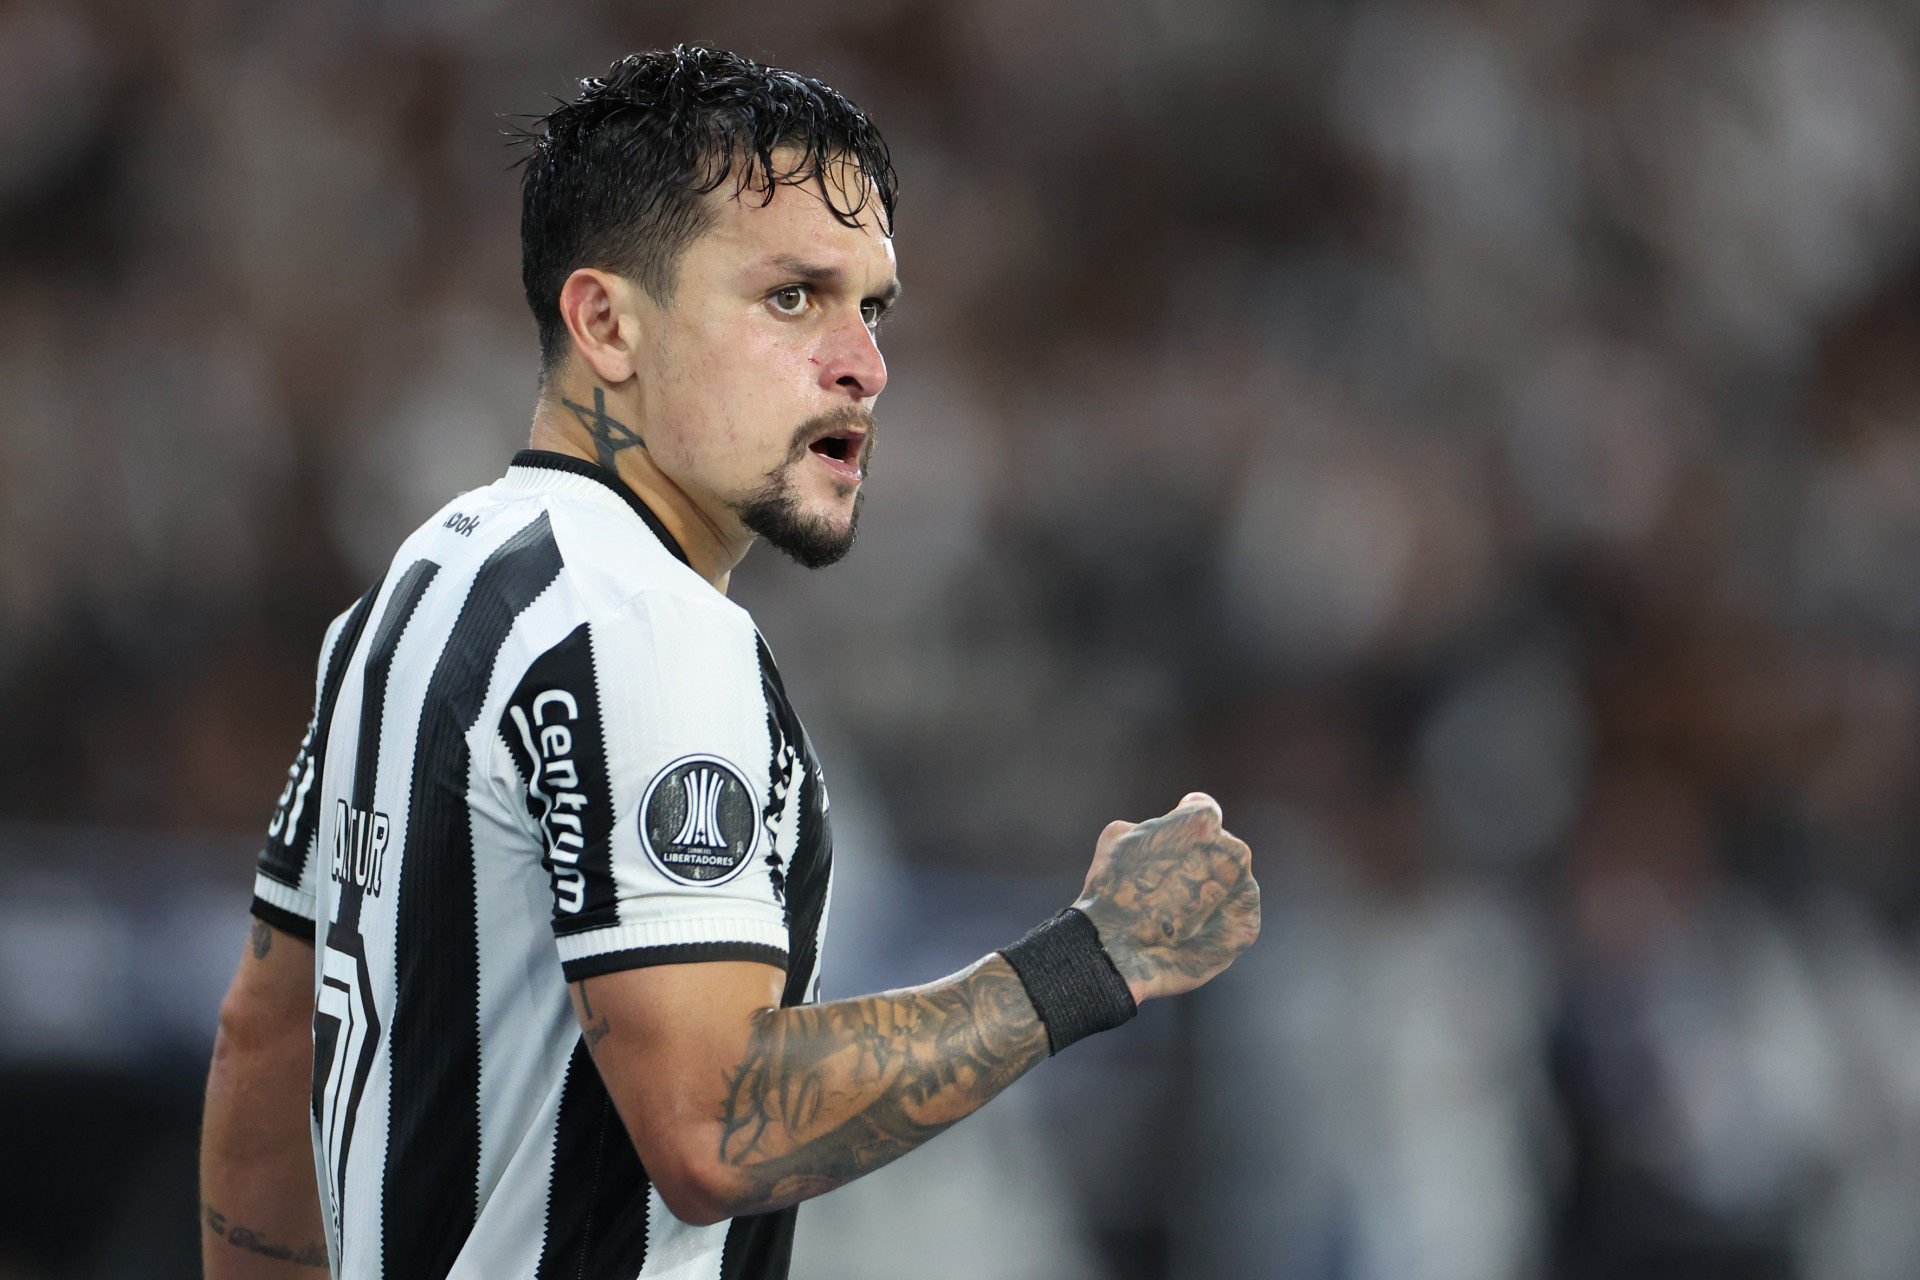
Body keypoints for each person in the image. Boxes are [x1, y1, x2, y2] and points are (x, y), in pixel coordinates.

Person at [198, 45, 1260, 1280]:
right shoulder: (644, 626)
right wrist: (1096, 958)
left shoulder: (417, 588)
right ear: (605, 322)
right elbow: (712, 1122)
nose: (863, 362)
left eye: (874, 305)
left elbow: (267, 1042)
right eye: (794, 298)